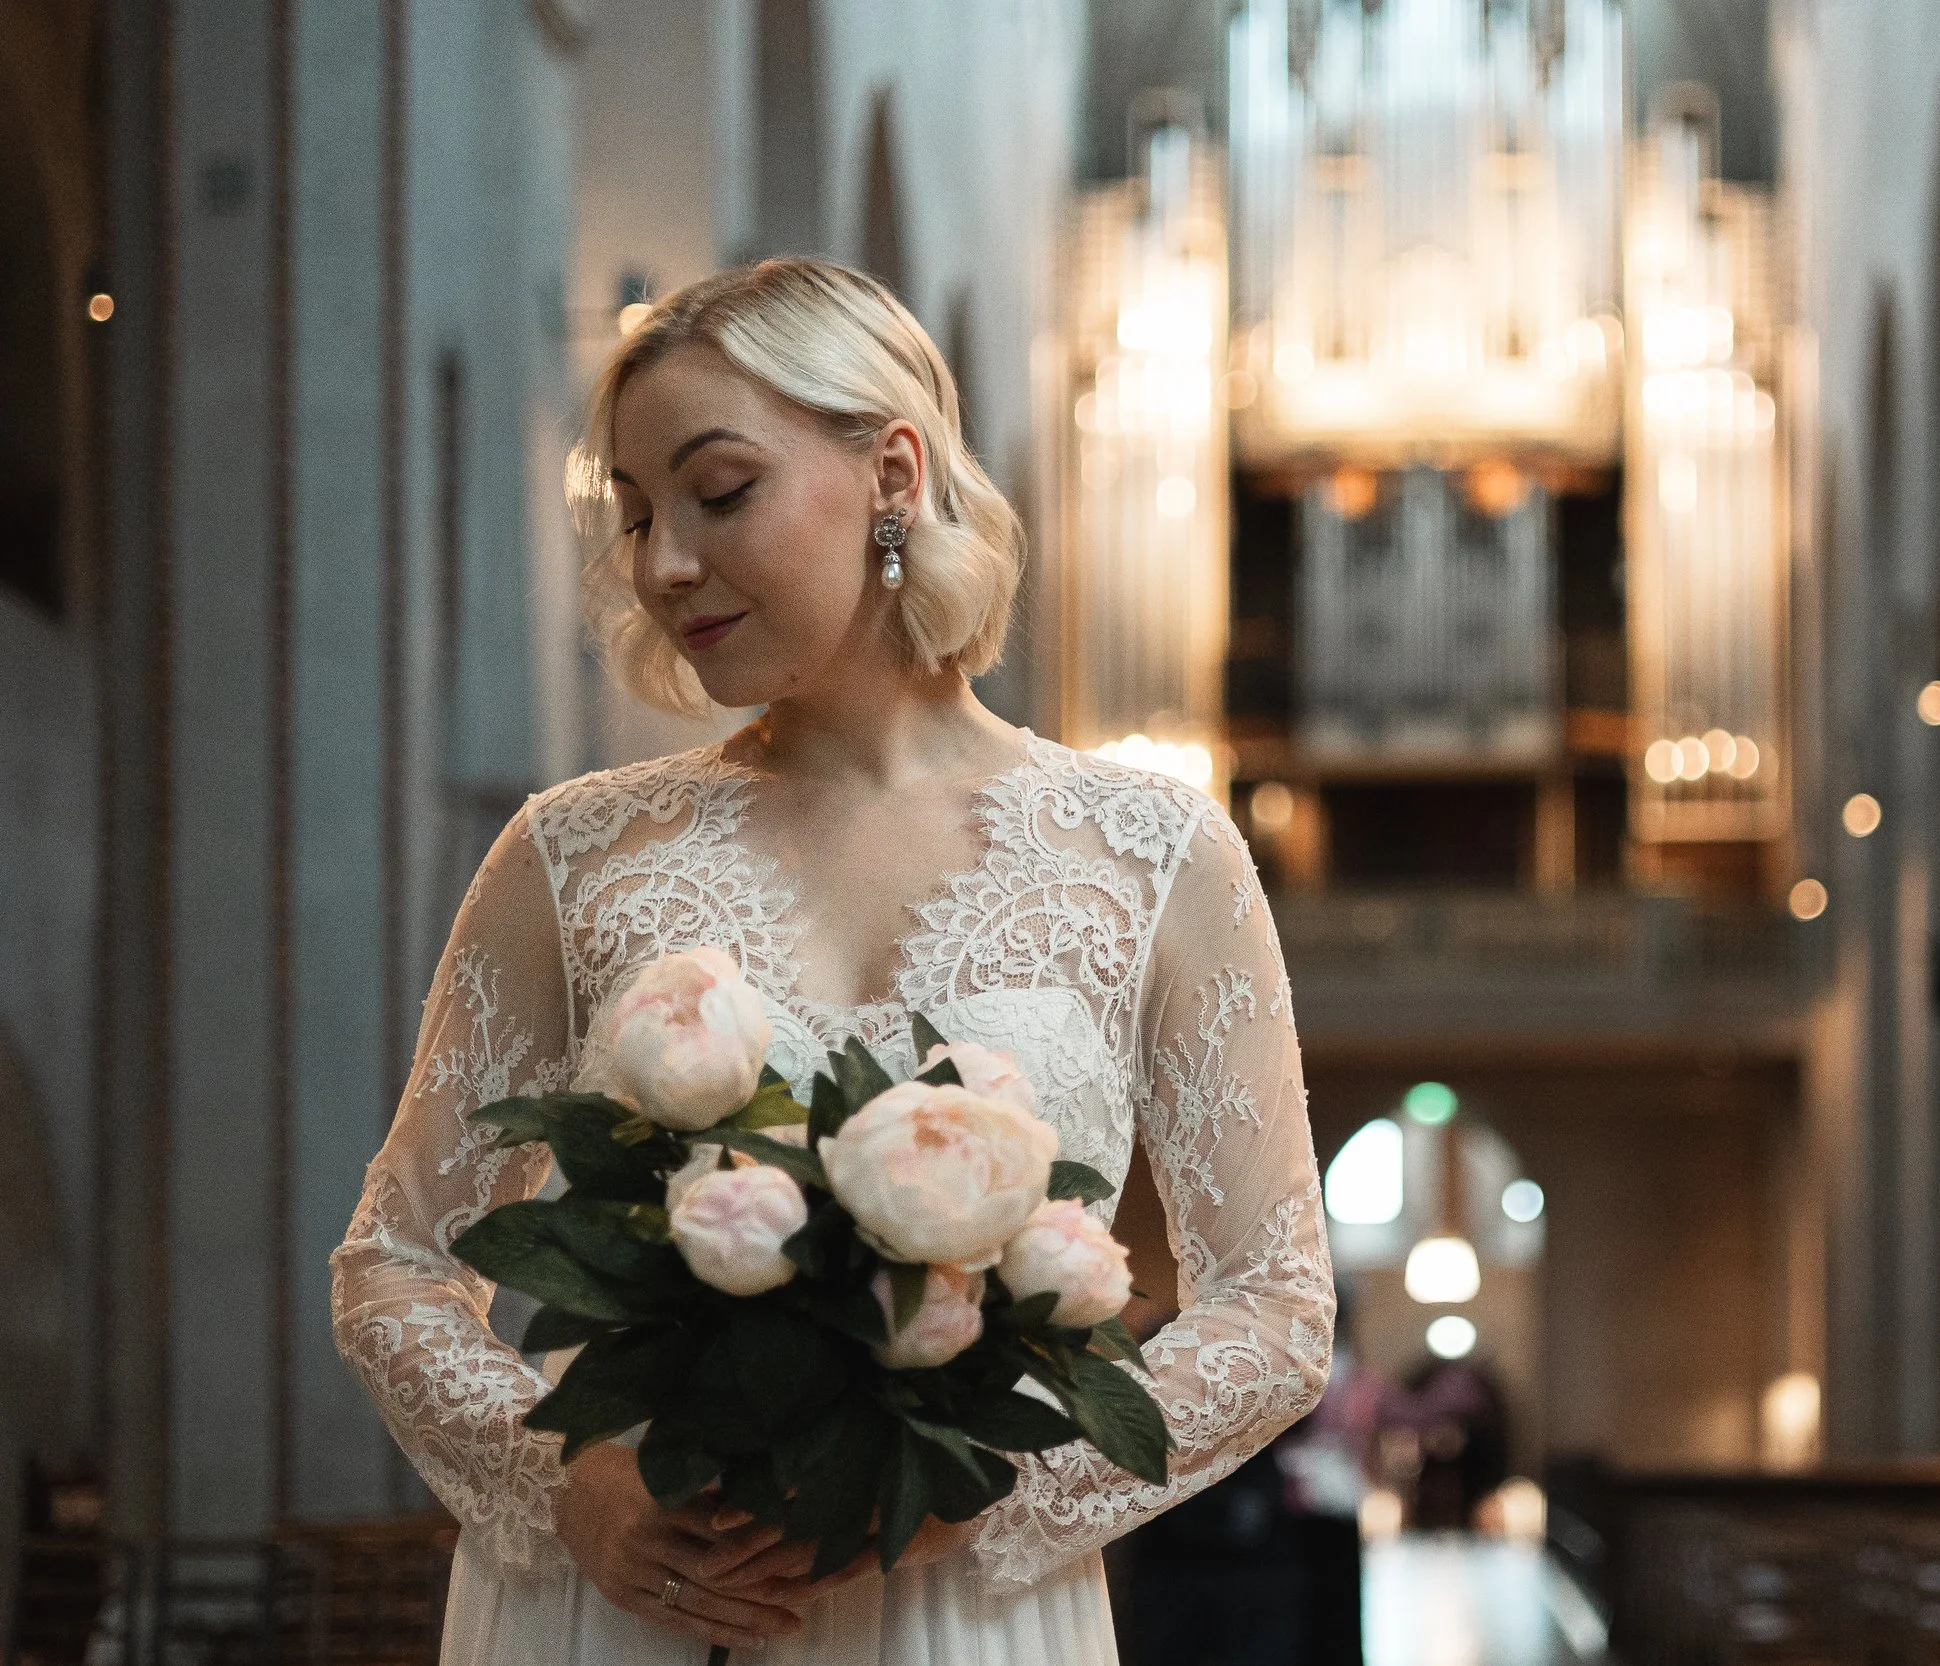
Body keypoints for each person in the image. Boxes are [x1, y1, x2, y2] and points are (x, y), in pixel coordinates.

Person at [329, 259, 1334, 1665]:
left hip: (962, 1611)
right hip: (622, 1606)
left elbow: (1276, 1309)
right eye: (633, 517)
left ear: (893, 471)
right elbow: (395, 1261)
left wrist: (976, 1486)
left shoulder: (1151, 852)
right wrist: (570, 1487)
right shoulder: (574, 853)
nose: (665, 561)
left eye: (719, 491)